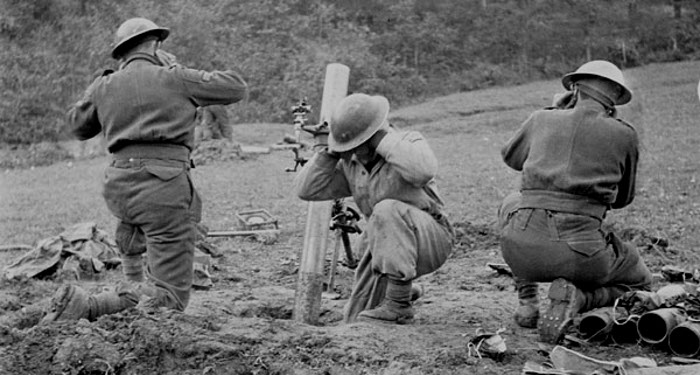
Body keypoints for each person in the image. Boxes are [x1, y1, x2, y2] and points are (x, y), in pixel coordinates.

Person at [43, 17, 248, 322]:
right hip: (164, 186)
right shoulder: (175, 77)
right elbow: (235, 87)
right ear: (156, 46)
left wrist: (102, 84)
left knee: (133, 233)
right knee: (171, 296)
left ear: (121, 53)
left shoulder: (105, 84)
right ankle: (89, 307)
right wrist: (177, 69)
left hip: (119, 186)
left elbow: (77, 125)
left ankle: (130, 290)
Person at [497, 60, 652, 343]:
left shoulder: (541, 119)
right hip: (583, 258)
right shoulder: (625, 134)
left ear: (574, 88)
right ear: (615, 98)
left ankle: (528, 303)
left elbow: (512, 158)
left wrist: (556, 118)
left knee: (511, 201)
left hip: (521, 253)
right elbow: (623, 199)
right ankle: (580, 298)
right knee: (641, 281)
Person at [294, 93, 454, 324]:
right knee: (356, 320)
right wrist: (330, 153)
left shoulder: (408, 142)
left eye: (360, 144)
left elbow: (423, 171)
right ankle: (401, 291)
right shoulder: (352, 165)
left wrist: (382, 139)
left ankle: (399, 304)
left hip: (430, 240)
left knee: (386, 210)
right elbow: (306, 189)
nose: (355, 152)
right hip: (385, 248)